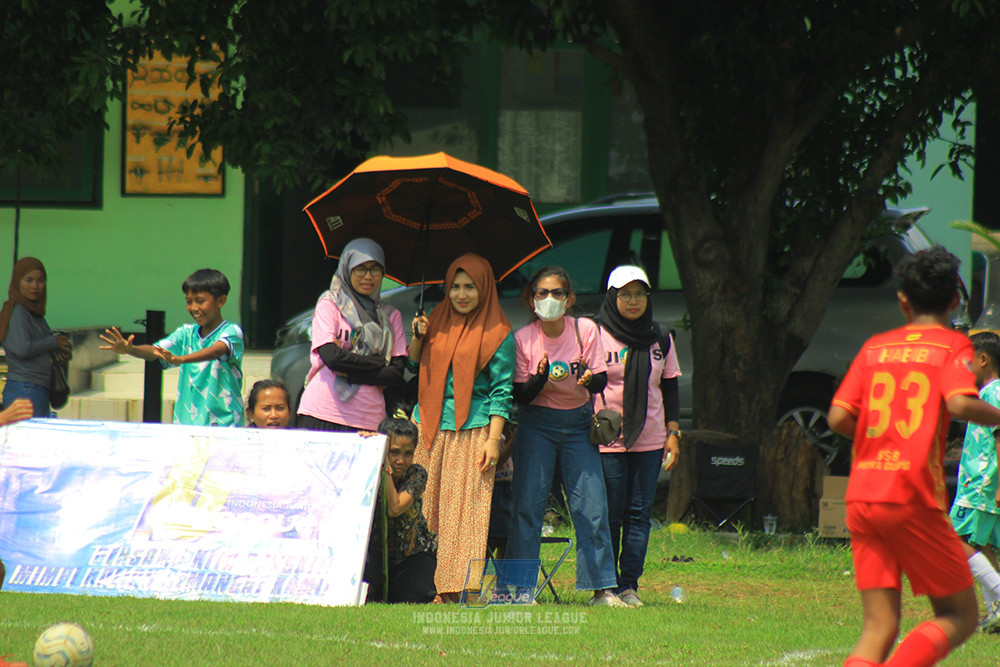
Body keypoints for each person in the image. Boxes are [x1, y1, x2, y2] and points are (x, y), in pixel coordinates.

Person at [828, 246, 1000, 667]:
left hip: (863, 496)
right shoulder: (952, 346)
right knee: (959, 615)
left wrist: (879, 442)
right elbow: (960, 405)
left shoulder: (875, 348)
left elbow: (836, 417)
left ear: (902, 300)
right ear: (955, 301)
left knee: (879, 626)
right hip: (909, 497)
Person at [506, 266, 625, 607]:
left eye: (557, 293)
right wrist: (539, 379)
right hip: (536, 424)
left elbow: (601, 381)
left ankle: (602, 589)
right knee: (528, 506)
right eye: (541, 293)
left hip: (577, 425)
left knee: (592, 506)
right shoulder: (523, 338)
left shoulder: (585, 329)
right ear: (532, 300)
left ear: (570, 299)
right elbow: (520, 396)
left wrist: (589, 380)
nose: (549, 300)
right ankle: (522, 589)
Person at [408, 253, 514, 603]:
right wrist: (418, 336)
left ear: (484, 289)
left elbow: (502, 392)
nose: (462, 294)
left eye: (470, 287)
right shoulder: (434, 319)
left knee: (464, 513)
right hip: (428, 426)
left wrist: (494, 440)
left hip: (474, 430)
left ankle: (455, 589)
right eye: (455, 287)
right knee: (424, 508)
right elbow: (412, 364)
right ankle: (421, 583)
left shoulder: (498, 333)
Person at [594, 265, 681, 607]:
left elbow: (670, 386)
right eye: (625, 294)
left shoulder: (659, 337)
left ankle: (629, 585)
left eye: (640, 294)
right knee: (610, 514)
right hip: (608, 440)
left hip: (650, 439)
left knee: (639, 514)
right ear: (612, 296)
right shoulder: (595, 334)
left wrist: (673, 433)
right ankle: (606, 586)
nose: (633, 301)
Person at [100, 268, 244, 426]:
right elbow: (155, 351)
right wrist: (131, 350)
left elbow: (216, 350)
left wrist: (181, 359)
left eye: (200, 301)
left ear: (221, 301)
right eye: (189, 301)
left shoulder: (231, 331)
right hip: (186, 425)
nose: (194, 308)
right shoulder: (185, 333)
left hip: (224, 424)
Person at [296, 238, 406, 432]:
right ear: (347, 269)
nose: (368, 276)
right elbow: (331, 358)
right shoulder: (331, 304)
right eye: (360, 268)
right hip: (322, 411)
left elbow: (395, 374)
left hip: (369, 419)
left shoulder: (390, 316)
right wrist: (380, 362)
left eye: (375, 269)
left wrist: (349, 369)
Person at [949, 331, 1000, 632]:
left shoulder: (992, 393)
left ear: (983, 359)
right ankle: (994, 608)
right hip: (977, 484)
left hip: (981, 485)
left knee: (956, 541)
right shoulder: (988, 393)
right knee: (981, 545)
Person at [365, 417, 438, 603]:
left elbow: (395, 508)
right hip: (374, 552)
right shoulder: (366, 470)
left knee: (416, 595)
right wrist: (363, 446)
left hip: (410, 554)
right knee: (368, 594)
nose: (400, 460)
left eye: (408, 453)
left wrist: (386, 469)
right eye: (394, 452)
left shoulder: (417, 474)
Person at [0, 257, 72, 418]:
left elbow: (40, 347)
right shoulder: (18, 312)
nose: (35, 286)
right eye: (29, 280)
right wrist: (53, 341)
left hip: (38, 387)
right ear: (18, 282)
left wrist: (60, 350)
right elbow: (22, 348)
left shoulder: (35, 314)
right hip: (25, 389)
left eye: (40, 280)